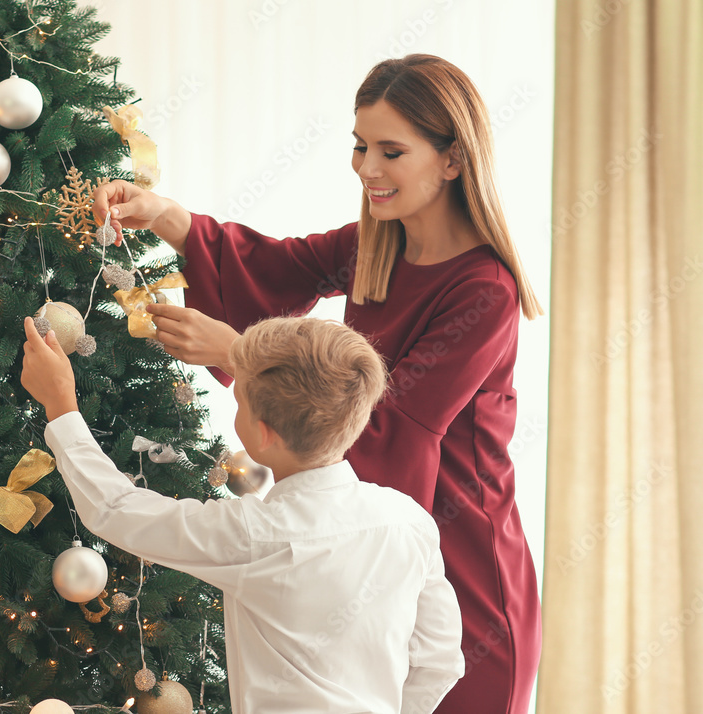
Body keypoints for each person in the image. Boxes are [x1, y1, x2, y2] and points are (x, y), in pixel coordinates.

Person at [90, 55, 542, 714]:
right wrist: (162, 213)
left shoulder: (485, 291)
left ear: (452, 159)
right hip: (373, 558)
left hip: (465, 569)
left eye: (391, 151)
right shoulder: (374, 244)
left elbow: (391, 426)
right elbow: (273, 266)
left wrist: (239, 351)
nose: (366, 169)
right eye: (360, 147)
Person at [21, 315, 465, 714]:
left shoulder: (257, 534)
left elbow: (117, 509)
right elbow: (440, 661)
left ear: (263, 433)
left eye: (241, 402)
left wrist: (61, 404)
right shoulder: (408, 520)